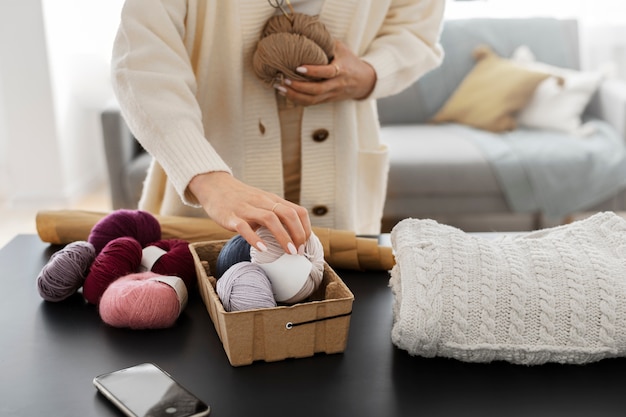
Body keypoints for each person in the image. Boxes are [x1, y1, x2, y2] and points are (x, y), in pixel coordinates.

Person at [111, 0, 445, 256]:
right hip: (213, 181)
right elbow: (144, 62)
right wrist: (208, 179)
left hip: (341, 171)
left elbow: (417, 26)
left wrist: (372, 72)